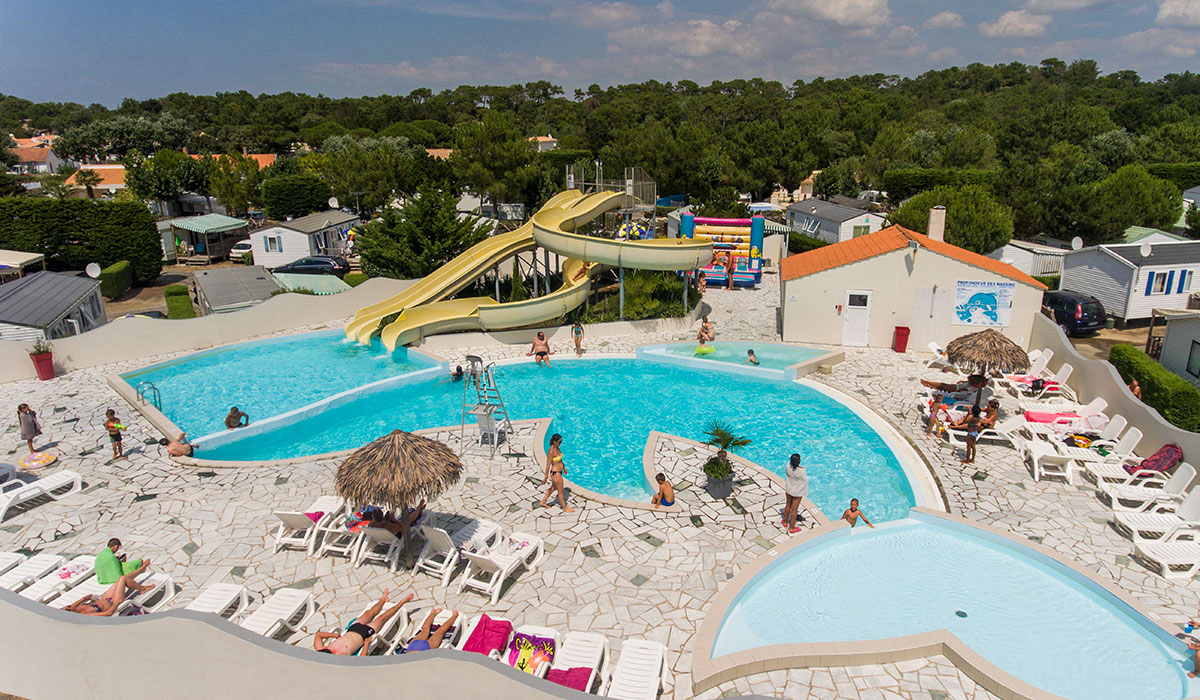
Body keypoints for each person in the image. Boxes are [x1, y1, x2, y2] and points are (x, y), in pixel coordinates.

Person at [313, 589, 413, 655]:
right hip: (364, 634)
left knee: (370, 612)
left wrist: (334, 636)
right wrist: (366, 644)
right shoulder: (340, 658)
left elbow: (318, 635)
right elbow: (360, 659)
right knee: (383, 617)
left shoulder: (320, 650)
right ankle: (403, 602)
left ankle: (383, 599)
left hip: (352, 628)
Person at [63, 568, 148, 616]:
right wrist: (116, 603)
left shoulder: (74, 608)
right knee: (122, 578)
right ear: (71, 613)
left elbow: (72, 605)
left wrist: (85, 598)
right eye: (69, 608)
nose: (71, 606)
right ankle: (142, 587)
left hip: (105, 598)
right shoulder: (86, 614)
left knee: (121, 580)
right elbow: (109, 613)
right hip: (114, 602)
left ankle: (140, 571)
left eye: (68, 606)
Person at [540, 433, 575, 513]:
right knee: (560, 491)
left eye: (561, 441)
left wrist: (564, 467)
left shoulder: (557, 448)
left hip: (559, 471)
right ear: (554, 442)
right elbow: (548, 465)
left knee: (553, 488)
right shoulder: (551, 451)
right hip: (555, 473)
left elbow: (560, 460)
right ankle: (564, 507)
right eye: (559, 442)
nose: (560, 443)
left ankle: (543, 501)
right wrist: (545, 477)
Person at [783, 453, 808, 534]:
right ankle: (792, 527)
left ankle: (786, 522)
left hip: (789, 489)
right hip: (797, 492)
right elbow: (805, 481)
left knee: (788, 505)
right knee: (794, 510)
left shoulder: (787, 466)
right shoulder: (801, 471)